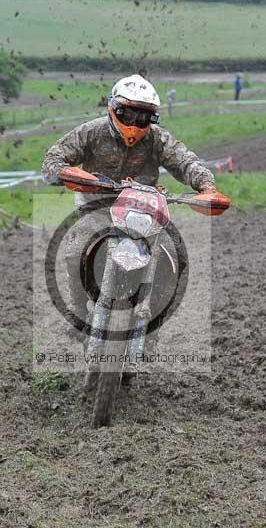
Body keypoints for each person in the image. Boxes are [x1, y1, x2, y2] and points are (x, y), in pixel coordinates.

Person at [42, 74, 216, 339]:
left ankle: (153, 323)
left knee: (176, 257)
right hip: (97, 207)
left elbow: (186, 162)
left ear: (152, 119)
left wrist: (207, 187)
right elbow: (52, 160)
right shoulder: (91, 132)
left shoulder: (158, 139)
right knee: (75, 249)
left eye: (143, 117)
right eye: (129, 115)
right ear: (114, 109)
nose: (135, 123)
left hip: (144, 212)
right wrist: (70, 175)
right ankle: (77, 310)